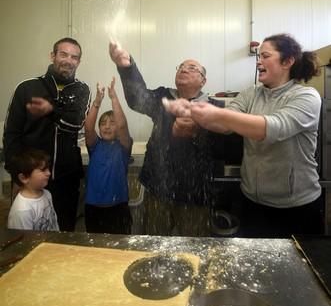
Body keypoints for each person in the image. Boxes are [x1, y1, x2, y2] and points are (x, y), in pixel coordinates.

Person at [163, 33, 324, 237]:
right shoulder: (251, 93)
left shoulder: (306, 96)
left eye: (265, 56)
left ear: (288, 61)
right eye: (259, 56)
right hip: (253, 203)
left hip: (296, 207)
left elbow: (271, 128)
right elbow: (226, 125)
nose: (259, 62)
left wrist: (216, 113)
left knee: (297, 268)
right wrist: (192, 114)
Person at [109, 42, 224, 236]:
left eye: (192, 68)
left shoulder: (216, 107)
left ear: (203, 81)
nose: (184, 70)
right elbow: (138, 99)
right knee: (154, 244)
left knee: (195, 249)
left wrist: (198, 133)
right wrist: (127, 66)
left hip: (196, 195)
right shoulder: (163, 97)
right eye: (181, 67)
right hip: (158, 189)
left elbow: (223, 149)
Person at [3, 37, 91, 231]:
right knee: (24, 238)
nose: (68, 60)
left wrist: (51, 111)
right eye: (63, 54)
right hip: (29, 178)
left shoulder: (82, 90)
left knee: (65, 233)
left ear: (79, 62)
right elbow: (11, 135)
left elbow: (74, 124)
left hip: (66, 180)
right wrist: (18, 176)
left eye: (74, 57)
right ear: (53, 56)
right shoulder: (27, 88)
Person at [84, 78, 133, 234]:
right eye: (103, 123)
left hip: (118, 207)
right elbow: (88, 129)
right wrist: (97, 102)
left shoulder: (123, 146)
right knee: (96, 251)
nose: (106, 126)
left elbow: (123, 125)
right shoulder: (95, 145)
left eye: (112, 123)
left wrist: (113, 98)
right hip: (93, 208)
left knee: (120, 250)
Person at [7, 148, 59, 231]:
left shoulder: (47, 194)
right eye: (43, 170)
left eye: (48, 169)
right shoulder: (22, 211)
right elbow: (24, 240)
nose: (49, 173)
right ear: (24, 178)